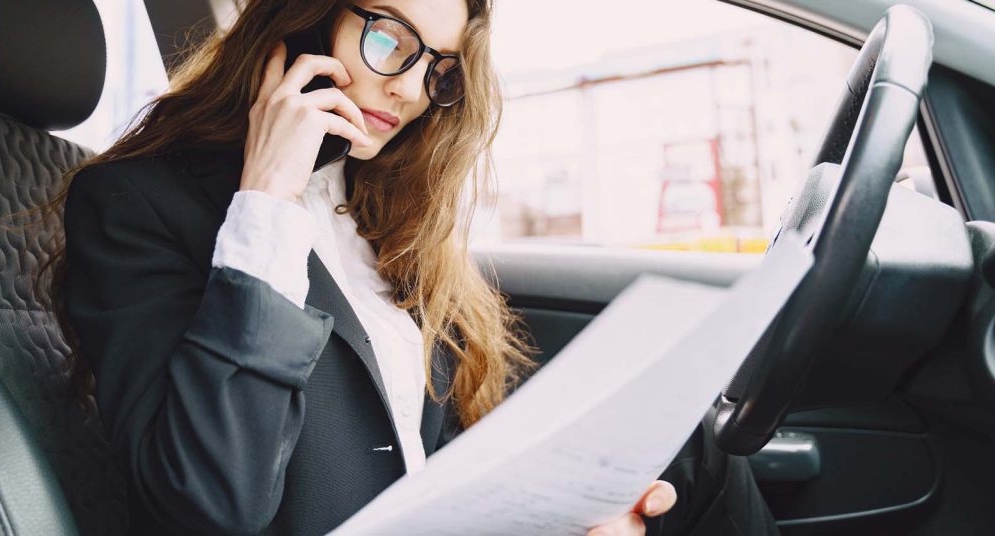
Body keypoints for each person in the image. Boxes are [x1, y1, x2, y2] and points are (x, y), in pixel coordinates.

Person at [42, 0, 780, 534]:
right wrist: (265, 202)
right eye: (390, 38)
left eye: (438, 67)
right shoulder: (139, 204)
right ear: (306, 18)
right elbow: (209, 500)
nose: (408, 87)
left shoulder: (377, 207)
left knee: (695, 454)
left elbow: (427, 447)